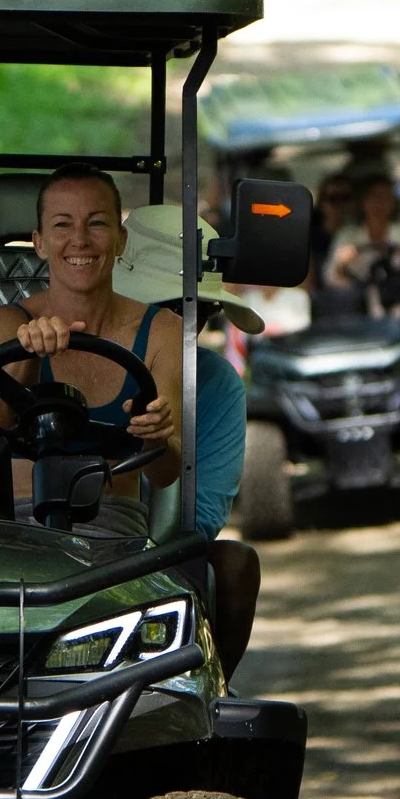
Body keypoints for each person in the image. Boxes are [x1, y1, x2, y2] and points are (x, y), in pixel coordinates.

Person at [0, 164, 180, 539]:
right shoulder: (2, 323)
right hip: (13, 527)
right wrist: (29, 354)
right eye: (62, 225)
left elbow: (166, 474)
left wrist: (155, 434)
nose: (80, 240)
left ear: (121, 240)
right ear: (39, 242)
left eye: (97, 224)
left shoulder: (163, 329)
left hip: (114, 530)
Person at [109, 204, 266, 678]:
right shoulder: (43, 335)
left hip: (141, 548)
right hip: (30, 538)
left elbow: (199, 521)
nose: (185, 327)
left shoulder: (215, 384)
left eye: (200, 311)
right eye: (171, 310)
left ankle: (208, 702)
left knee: (235, 565)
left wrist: (157, 448)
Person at [322, 172, 400, 317]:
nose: (379, 204)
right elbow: (330, 277)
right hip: (357, 305)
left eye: (385, 198)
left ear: (393, 202)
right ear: (363, 202)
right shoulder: (348, 235)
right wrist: (342, 262)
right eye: (374, 197)